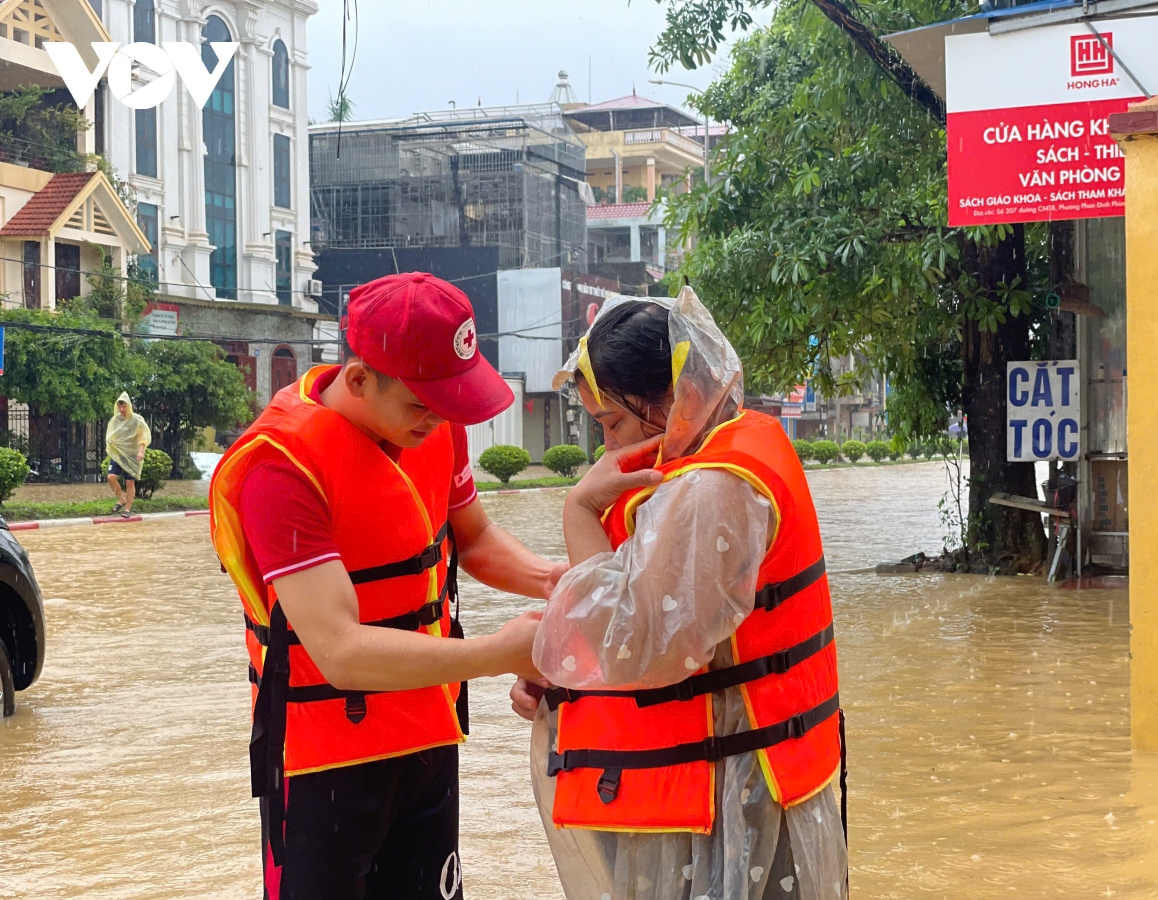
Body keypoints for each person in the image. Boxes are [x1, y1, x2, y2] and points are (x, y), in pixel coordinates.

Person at [210, 273, 562, 900]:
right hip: (325, 758)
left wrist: (556, 583)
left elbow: (473, 539)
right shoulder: (280, 467)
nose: (438, 418)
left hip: (427, 729)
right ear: (359, 379)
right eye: (421, 402)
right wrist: (499, 653)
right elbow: (340, 651)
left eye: (449, 401)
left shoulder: (434, 425)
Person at [512, 288, 847, 899]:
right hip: (715, 793)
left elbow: (635, 645)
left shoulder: (712, 488)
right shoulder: (730, 452)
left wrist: (581, 510)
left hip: (731, 800)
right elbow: (644, 605)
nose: (608, 448)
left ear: (677, 399)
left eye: (613, 423)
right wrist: (562, 660)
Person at [105, 391, 150, 518]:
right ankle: (121, 499)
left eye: (124, 406)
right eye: (119, 406)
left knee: (130, 483)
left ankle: (128, 509)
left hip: (132, 455)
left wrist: (141, 451)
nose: (122, 409)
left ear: (129, 406)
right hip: (119, 455)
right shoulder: (115, 420)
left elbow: (143, 436)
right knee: (111, 477)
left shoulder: (137, 420)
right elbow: (111, 435)